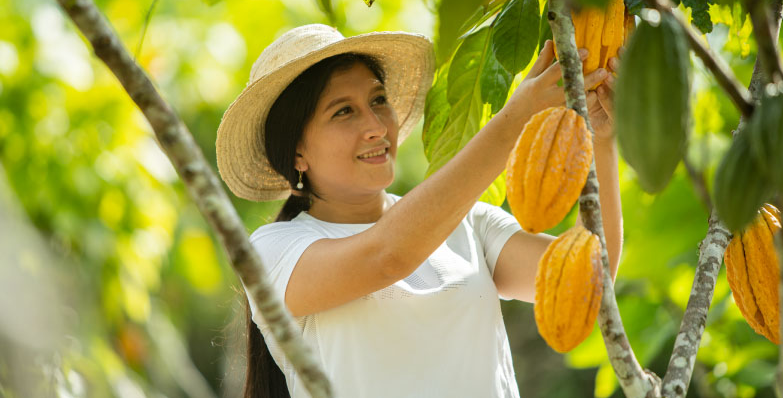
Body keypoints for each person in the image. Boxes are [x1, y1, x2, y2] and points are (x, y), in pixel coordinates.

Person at [215, 23, 622, 398]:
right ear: (297, 151)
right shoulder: (272, 251)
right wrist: (514, 121)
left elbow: (587, 280)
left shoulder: (468, 222)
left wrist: (601, 138)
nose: (376, 124)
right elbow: (387, 257)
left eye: (378, 100)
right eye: (343, 111)